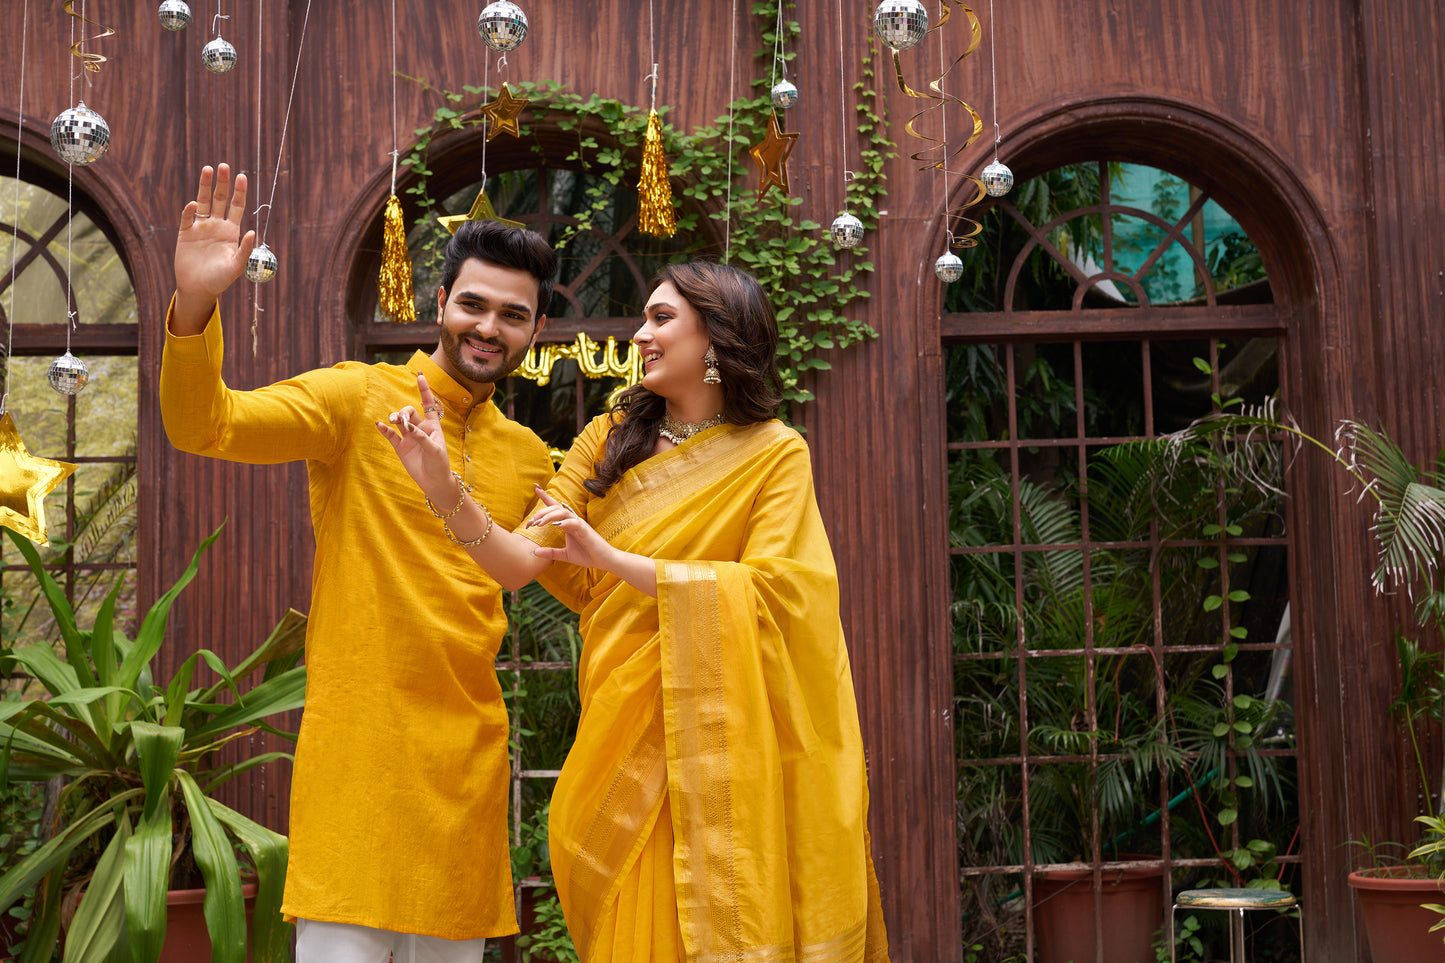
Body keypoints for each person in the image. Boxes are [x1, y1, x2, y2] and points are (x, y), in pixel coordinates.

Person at [377, 261, 890, 963]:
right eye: (643, 318)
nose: (639, 334)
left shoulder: (774, 455)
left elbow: (779, 592)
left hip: (718, 740)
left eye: (660, 318)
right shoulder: (606, 440)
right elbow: (517, 564)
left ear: (715, 335)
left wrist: (610, 559)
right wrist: (441, 485)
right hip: (619, 725)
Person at [160, 163, 557, 962]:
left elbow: (562, 573)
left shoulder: (528, 458)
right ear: (438, 304)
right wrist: (197, 302)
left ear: (534, 332)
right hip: (359, 769)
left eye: (513, 315)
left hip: (465, 775)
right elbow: (208, 424)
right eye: (473, 304)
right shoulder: (358, 398)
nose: (489, 327)